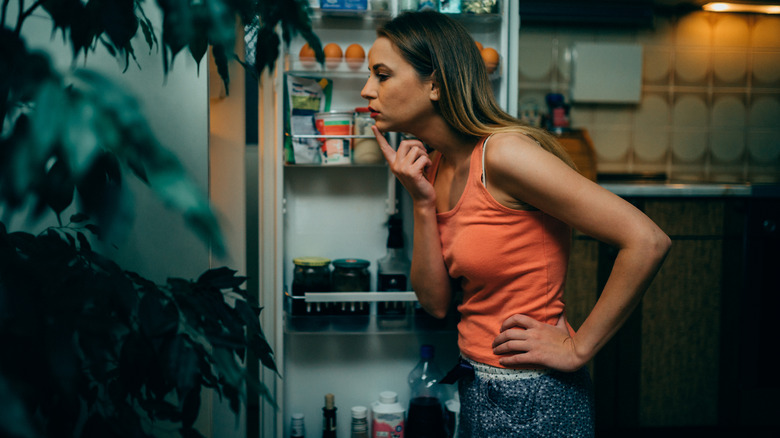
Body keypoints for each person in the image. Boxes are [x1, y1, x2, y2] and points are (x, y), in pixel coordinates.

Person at [360, 10, 671, 438]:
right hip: (476, 385)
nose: (366, 89)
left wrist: (579, 347)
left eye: (381, 75)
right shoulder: (432, 169)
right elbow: (435, 303)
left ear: (434, 83)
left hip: (538, 397)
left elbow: (647, 240)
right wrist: (420, 202)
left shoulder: (504, 155)